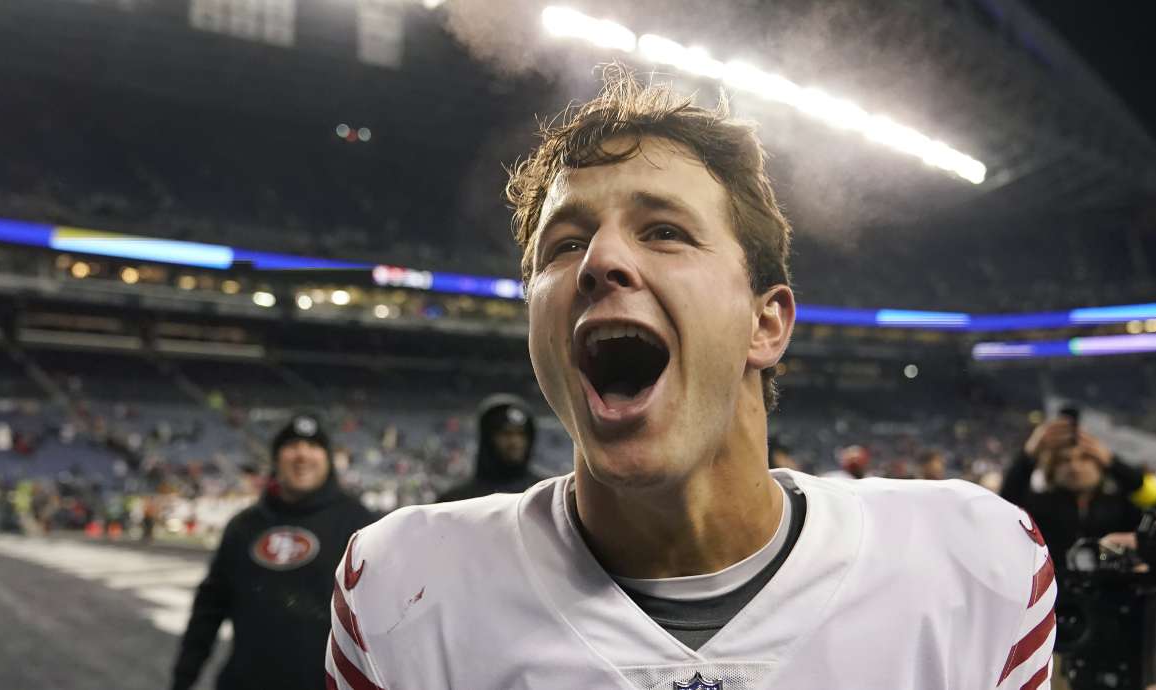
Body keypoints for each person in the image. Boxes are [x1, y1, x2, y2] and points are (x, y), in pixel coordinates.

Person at [327, 68, 1054, 689]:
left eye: (664, 231)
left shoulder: (974, 570)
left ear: (765, 324)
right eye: (565, 244)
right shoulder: (402, 593)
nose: (599, 261)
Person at [172, 414, 375, 690]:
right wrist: (183, 679)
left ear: (328, 459)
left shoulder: (359, 524)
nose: (302, 454)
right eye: (291, 445)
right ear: (276, 459)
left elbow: (382, 616)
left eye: (313, 446)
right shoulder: (244, 526)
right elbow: (208, 610)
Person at [1000, 416, 1147, 580]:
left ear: (1100, 463)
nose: (1074, 467)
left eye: (1084, 458)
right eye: (1064, 460)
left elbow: (1149, 495)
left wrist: (1113, 462)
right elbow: (1006, 503)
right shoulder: (1040, 504)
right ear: (1052, 469)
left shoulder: (1120, 505)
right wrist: (1029, 453)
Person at [438, 393, 541, 501]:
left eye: (521, 434)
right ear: (487, 438)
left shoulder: (544, 493)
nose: (515, 442)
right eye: (506, 433)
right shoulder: (456, 499)